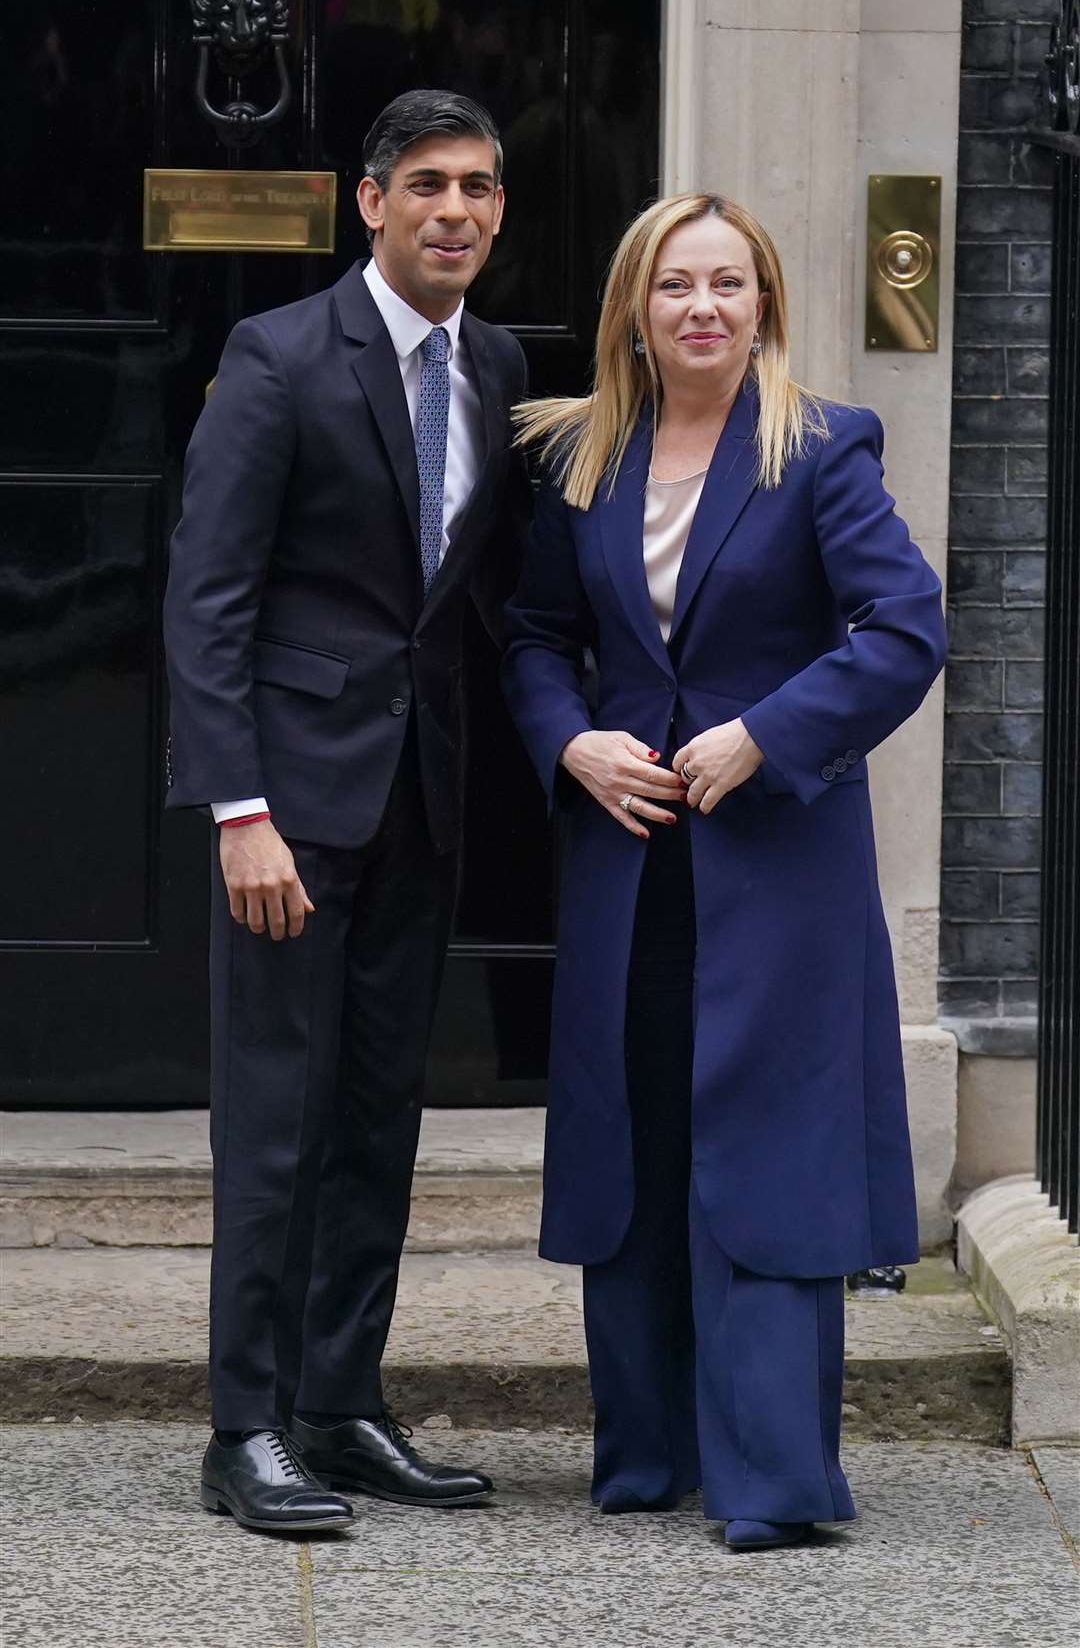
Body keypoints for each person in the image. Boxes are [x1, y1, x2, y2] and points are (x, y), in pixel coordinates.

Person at [502, 193, 947, 1551]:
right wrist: (570, 743)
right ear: (635, 308)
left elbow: (905, 626)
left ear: (765, 306)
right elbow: (529, 634)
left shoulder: (821, 453)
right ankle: (648, 1457)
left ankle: (774, 1485)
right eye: (676, 285)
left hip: (777, 873)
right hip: (629, 865)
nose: (704, 308)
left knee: (764, 1149)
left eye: (730, 285)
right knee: (636, 1140)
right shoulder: (582, 455)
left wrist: (766, 734)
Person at [163, 89, 530, 1533]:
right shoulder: (277, 356)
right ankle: (243, 1423)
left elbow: (497, 594)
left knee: (381, 1117)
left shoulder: (498, 365)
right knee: (274, 1122)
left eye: (481, 187)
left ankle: (341, 1401)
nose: (456, 209)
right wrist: (238, 809)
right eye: (429, 183)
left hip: (421, 806)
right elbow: (207, 601)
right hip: (290, 811)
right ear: (368, 202)